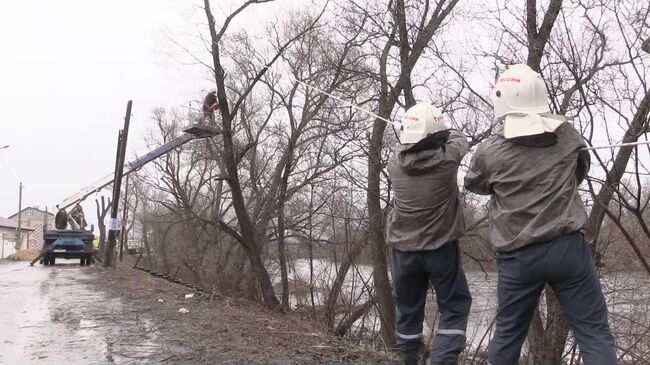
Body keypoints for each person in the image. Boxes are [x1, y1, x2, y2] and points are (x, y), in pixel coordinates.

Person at [464, 64, 616, 365]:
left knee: (507, 335)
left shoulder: (489, 151)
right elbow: (579, 171)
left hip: (518, 256)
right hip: (566, 249)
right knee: (594, 333)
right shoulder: (568, 135)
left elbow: (475, 184)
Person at [387, 103, 472, 365]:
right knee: (455, 306)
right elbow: (460, 138)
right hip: (440, 249)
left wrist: (419, 133)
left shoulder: (394, 163)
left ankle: (408, 359)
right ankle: (443, 359)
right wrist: (440, 134)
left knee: (408, 308)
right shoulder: (447, 160)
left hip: (403, 250)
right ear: (435, 137)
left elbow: (408, 149)